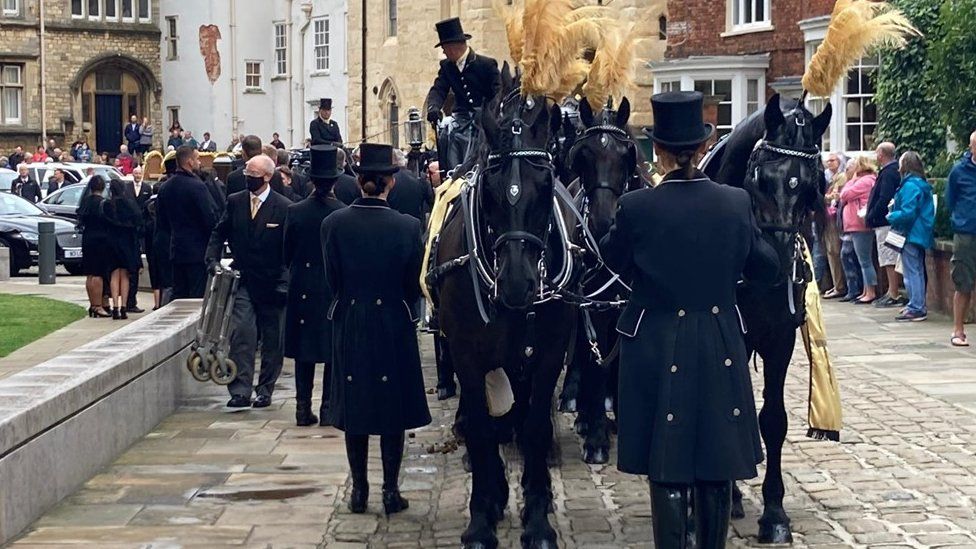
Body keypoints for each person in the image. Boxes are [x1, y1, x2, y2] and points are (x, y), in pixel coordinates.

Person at [599, 92, 779, 549]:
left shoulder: (637, 207)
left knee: (667, 459)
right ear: (702, 147)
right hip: (719, 338)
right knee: (716, 459)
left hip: (654, 339)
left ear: (657, 150)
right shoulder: (736, 204)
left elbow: (610, 259)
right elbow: (767, 268)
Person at [321, 143, 431, 516]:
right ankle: (390, 489)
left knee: (355, 406)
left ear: (358, 179)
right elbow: (412, 284)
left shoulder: (333, 224)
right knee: (391, 409)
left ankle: (359, 490)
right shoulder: (408, 227)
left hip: (350, 317)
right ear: (391, 182)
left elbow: (331, 278)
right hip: (392, 320)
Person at [206, 154, 290, 409]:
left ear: (266, 177)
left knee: (273, 340)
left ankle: (265, 389)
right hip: (243, 280)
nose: (247, 180)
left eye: (252, 176)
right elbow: (219, 232)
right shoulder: (235, 202)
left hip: (272, 282)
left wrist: (285, 281)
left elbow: (290, 248)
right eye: (246, 175)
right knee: (242, 333)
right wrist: (212, 260)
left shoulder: (285, 207)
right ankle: (240, 389)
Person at [283, 145, 345, 426]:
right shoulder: (342, 213)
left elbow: (287, 251)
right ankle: (329, 408)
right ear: (334, 181)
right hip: (331, 287)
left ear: (311, 180)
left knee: (304, 353)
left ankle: (301, 406)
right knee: (332, 350)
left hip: (302, 286)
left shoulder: (295, 211)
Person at [425, 17, 501, 173]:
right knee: (446, 135)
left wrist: (487, 115)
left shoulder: (486, 65)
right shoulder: (447, 67)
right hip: (461, 118)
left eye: (444, 48)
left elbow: (498, 93)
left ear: (452, 47)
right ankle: (449, 174)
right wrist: (433, 107)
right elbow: (439, 89)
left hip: (484, 120)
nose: (444, 52)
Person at [155, 146, 219, 299]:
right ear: (189, 161)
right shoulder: (197, 187)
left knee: (179, 297)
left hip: (176, 250)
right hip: (198, 251)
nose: (199, 163)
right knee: (197, 297)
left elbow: (161, 221)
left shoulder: (165, 188)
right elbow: (210, 217)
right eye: (197, 159)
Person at [886, 151, 934, 322]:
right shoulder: (919, 184)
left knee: (912, 271)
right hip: (918, 232)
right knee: (917, 270)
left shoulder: (910, 186)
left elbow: (908, 213)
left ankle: (916, 307)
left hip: (911, 233)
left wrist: (891, 215)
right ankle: (916, 304)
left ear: (905, 165)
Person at [866, 142, 905, 308]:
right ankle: (891, 291)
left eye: (877, 153)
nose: (876, 156)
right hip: (886, 221)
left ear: (882, 154)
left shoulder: (889, 173)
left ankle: (894, 293)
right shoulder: (892, 170)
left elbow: (885, 197)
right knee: (887, 257)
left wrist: (872, 214)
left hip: (885, 222)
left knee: (889, 257)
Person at [947, 131, 976, 346]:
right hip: (966, 232)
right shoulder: (959, 171)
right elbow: (951, 200)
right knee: (963, 283)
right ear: (971, 147)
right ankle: (958, 330)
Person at [840, 156, 879, 304]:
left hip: (860, 225)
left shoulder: (865, 181)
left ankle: (870, 292)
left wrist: (852, 180)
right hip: (855, 225)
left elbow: (844, 195)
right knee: (863, 260)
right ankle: (865, 291)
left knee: (865, 260)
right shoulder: (864, 180)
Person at [103, 179, 142, 319]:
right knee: (125, 275)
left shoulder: (107, 205)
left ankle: (114, 307)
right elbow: (138, 221)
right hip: (127, 242)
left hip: (112, 242)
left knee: (114, 275)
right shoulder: (129, 204)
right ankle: (124, 306)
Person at [76, 176, 114, 318]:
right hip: (100, 239)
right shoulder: (103, 203)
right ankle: (98, 306)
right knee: (98, 273)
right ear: (103, 187)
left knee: (90, 273)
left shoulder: (85, 202)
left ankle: (93, 304)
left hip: (87, 238)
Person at [126, 166, 153, 314]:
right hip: (131, 226)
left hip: (142, 225)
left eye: (139, 173)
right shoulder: (127, 187)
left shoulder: (147, 188)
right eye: (135, 173)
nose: (137, 175)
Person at [823, 154, 848, 299]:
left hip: (834, 218)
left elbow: (835, 196)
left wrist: (824, 197)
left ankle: (840, 286)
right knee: (830, 252)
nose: (828, 162)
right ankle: (836, 284)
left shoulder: (841, 177)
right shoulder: (831, 178)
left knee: (834, 251)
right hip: (827, 217)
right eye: (828, 160)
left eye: (832, 160)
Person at [388, 149, 433, 223]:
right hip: (416, 225)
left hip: (392, 224)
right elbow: (431, 201)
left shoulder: (387, 181)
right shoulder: (419, 178)